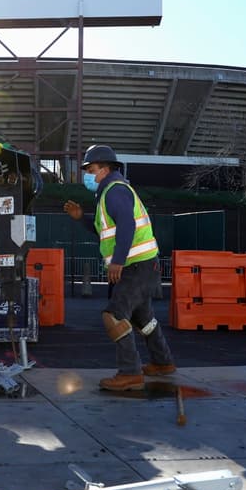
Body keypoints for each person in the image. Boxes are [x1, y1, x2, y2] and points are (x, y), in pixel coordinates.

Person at [64, 145, 176, 391]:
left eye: (91, 170)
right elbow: (104, 231)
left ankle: (130, 373)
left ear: (105, 169)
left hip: (136, 266)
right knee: (143, 318)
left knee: (113, 315)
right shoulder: (109, 193)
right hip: (144, 266)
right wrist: (81, 217)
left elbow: (127, 226)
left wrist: (118, 261)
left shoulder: (114, 191)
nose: (87, 176)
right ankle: (163, 362)